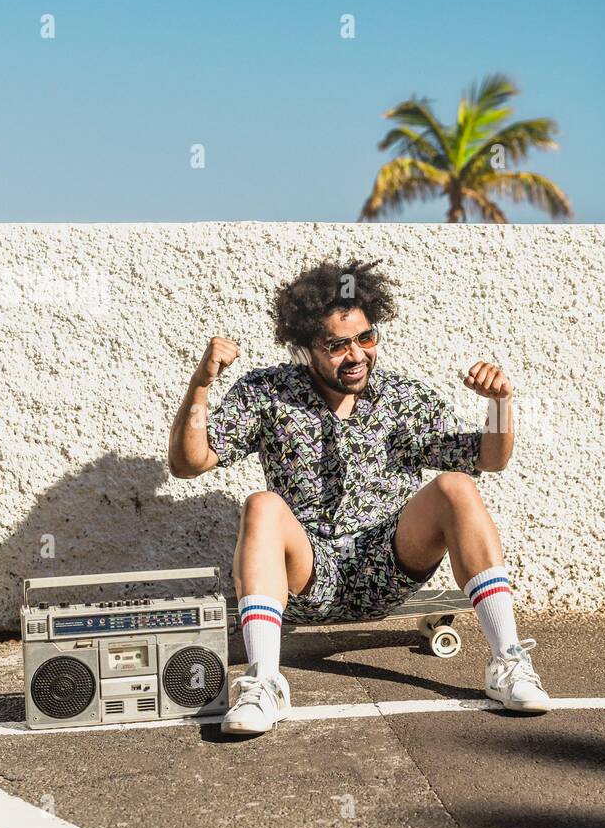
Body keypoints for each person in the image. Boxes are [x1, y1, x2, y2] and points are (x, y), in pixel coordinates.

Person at [167, 258, 551, 735]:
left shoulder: (403, 397)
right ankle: (265, 682)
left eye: (365, 339)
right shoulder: (268, 393)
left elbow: (489, 459)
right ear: (306, 349)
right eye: (337, 345)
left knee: (457, 485)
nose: (356, 356)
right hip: (308, 576)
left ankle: (507, 662)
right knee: (262, 504)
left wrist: (500, 404)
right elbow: (189, 463)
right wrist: (201, 385)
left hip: (391, 565)